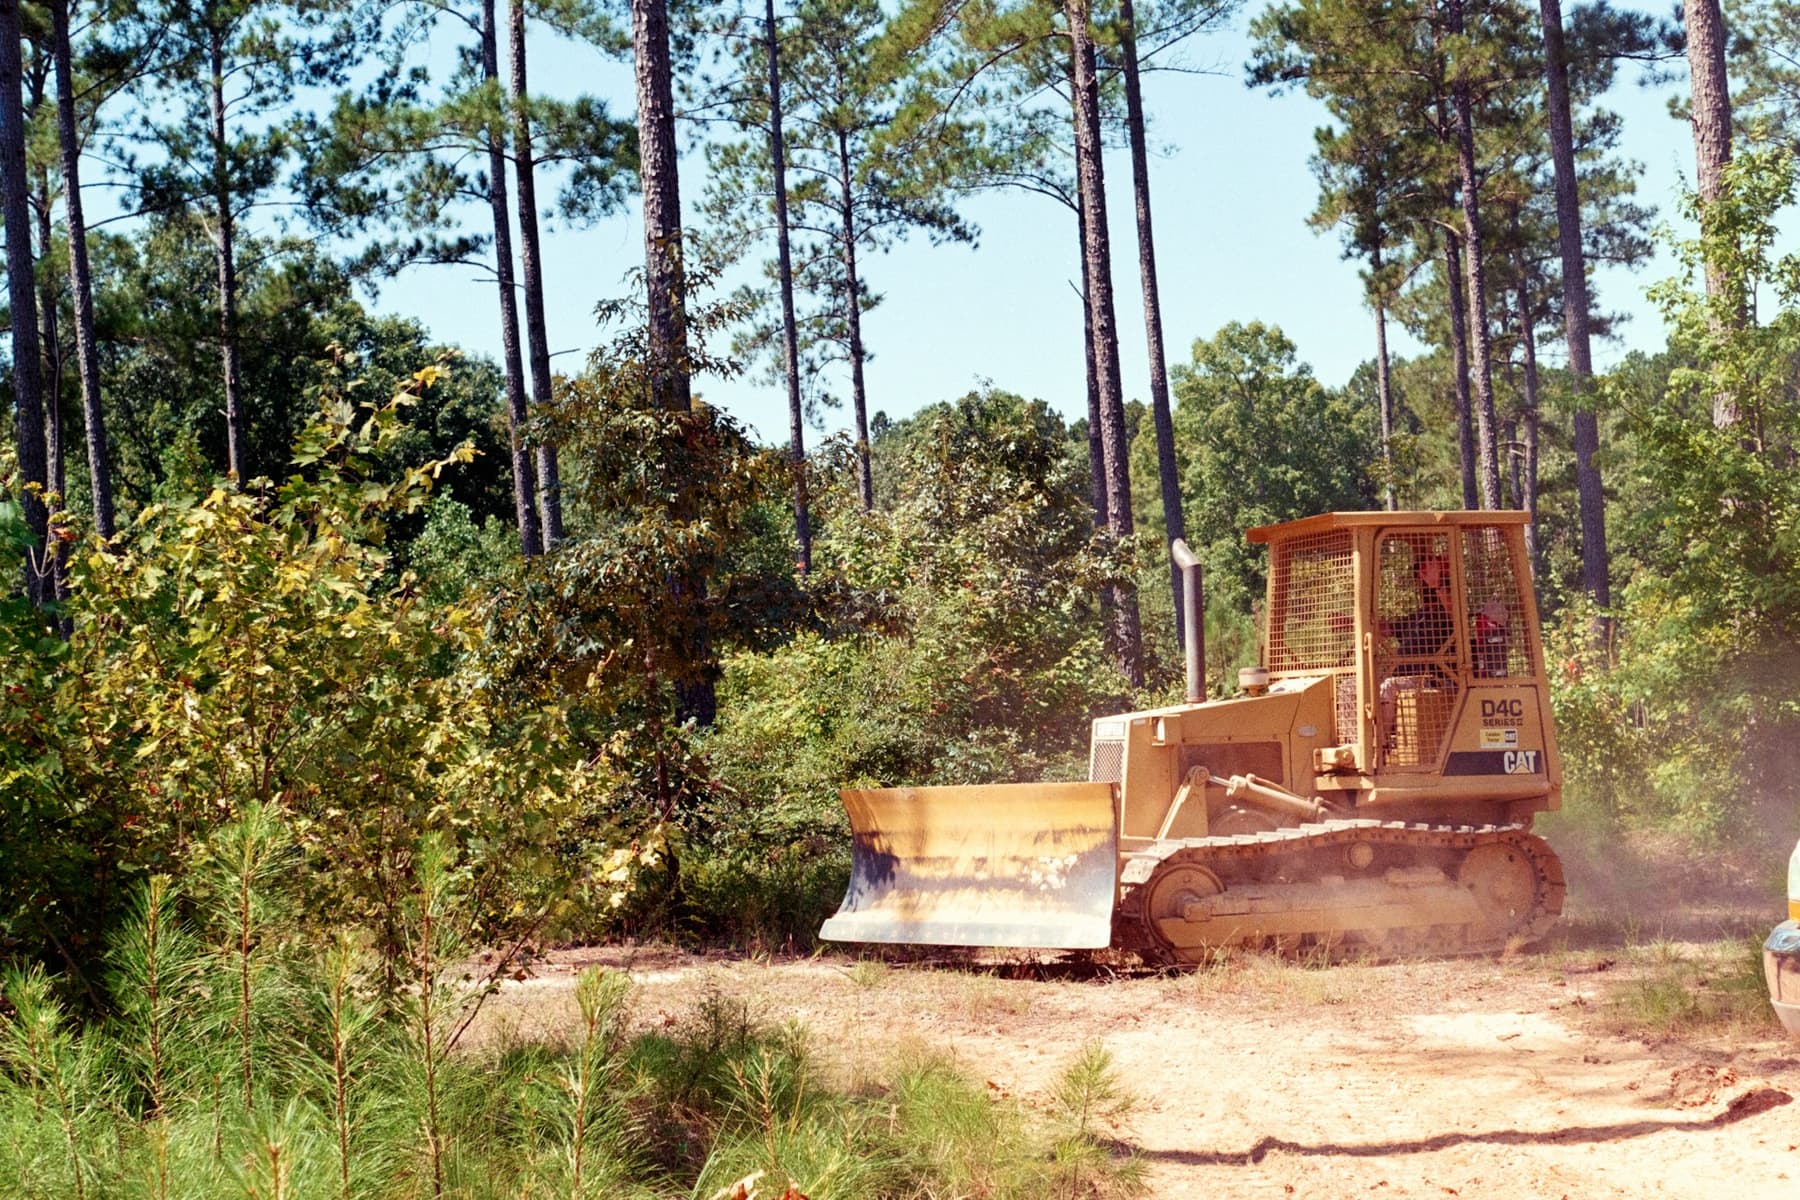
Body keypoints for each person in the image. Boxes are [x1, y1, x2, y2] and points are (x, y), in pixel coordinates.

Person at [1379, 552, 1454, 748]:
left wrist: (1437, 585)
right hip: (1408, 680)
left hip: (1433, 679)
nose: (1422, 583)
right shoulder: (1420, 615)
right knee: (1352, 686)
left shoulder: (1447, 612)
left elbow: (1454, 612)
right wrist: (1353, 622)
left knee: (1388, 686)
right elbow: (1387, 629)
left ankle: (1380, 745)